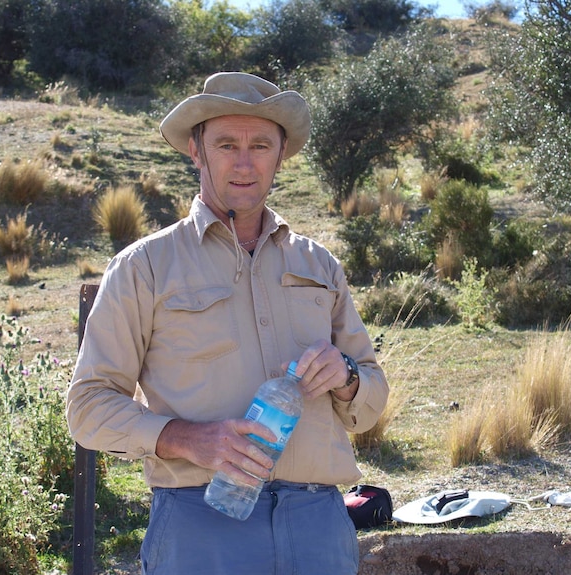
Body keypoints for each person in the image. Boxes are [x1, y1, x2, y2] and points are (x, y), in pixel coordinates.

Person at [66, 71, 389, 575]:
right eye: (225, 144)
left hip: (319, 528)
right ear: (196, 150)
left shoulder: (319, 265)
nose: (244, 162)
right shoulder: (143, 267)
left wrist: (347, 378)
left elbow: (370, 400)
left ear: (281, 154)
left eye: (260, 144)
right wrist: (185, 439)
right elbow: (87, 409)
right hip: (201, 526)